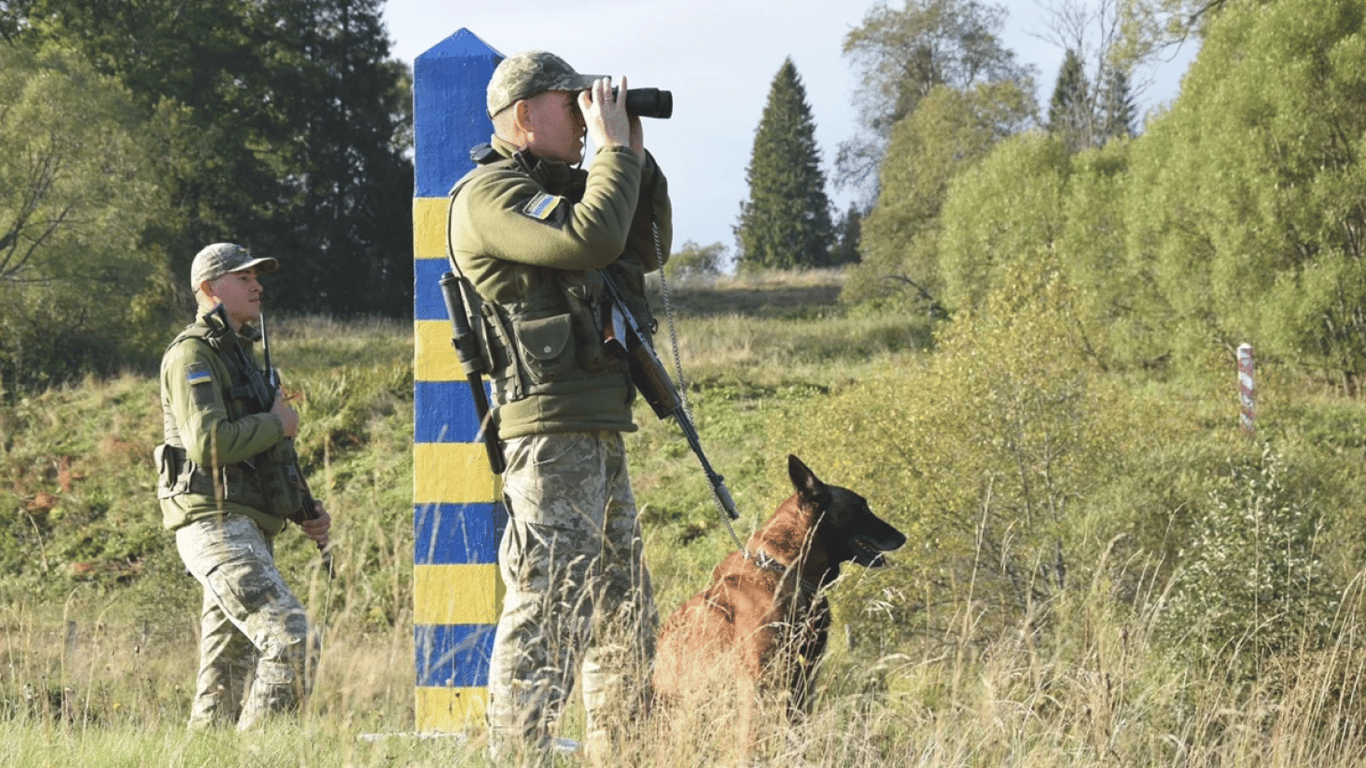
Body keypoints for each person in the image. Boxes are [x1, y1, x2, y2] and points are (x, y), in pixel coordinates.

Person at [445, 50, 671, 762]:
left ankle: (622, 753)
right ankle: (520, 755)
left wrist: (631, 153)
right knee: (549, 608)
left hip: (597, 426)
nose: (582, 117)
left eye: (587, 104)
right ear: (522, 116)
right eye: (567, 103)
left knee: (623, 616)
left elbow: (646, 244)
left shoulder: (567, 187)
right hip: (547, 433)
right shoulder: (490, 197)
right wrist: (608, 154)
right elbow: (592, 238)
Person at [155, 242, 332, 730]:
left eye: (258, 276)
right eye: (243, 277)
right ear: (209, 288)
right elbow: (207, 442)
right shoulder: (191, 354)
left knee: (224, 680)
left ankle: (207, 759)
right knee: (294, 642)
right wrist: (278, 424)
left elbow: (269, 454)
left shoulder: (243, 358)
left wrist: (304, 510)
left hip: (246, 525)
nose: (258, 285)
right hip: (215, 523)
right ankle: (260, 756)